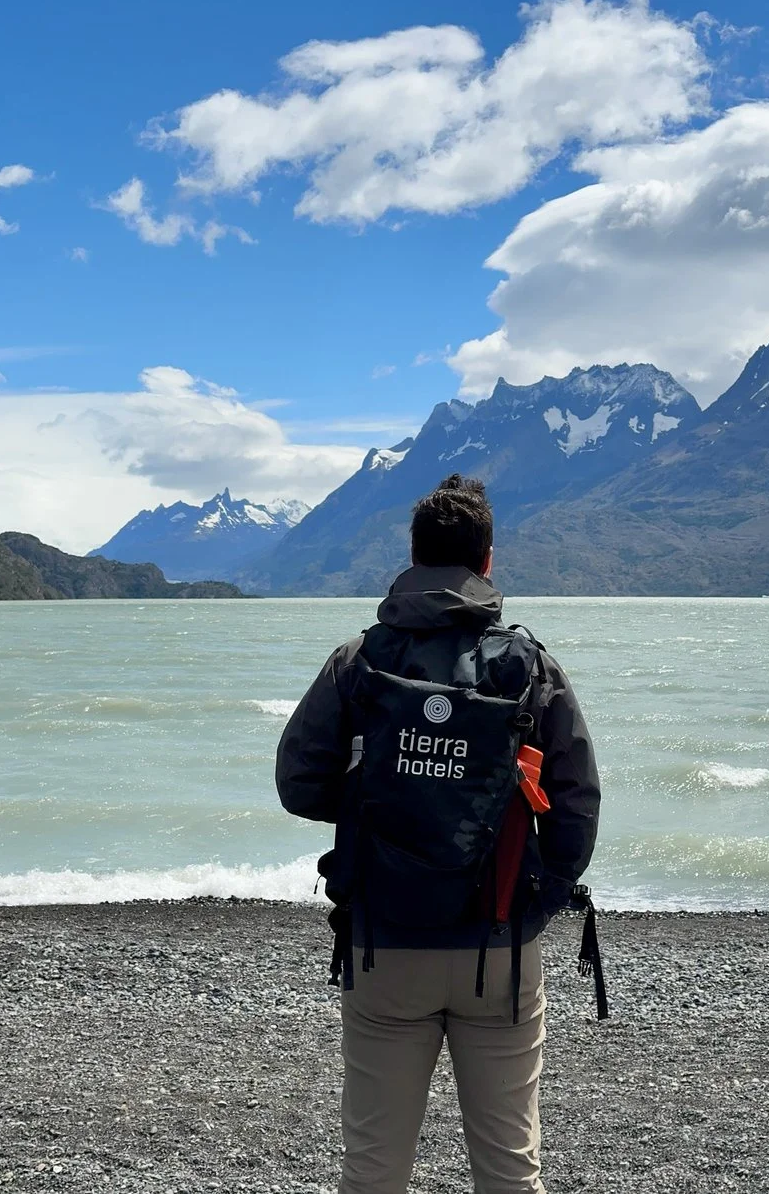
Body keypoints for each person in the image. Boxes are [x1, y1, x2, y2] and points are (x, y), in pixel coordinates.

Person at [276, 474, 602, 1194]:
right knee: (511, 1169)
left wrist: (374, 808)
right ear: (487, 561)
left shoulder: (359, 660)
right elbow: (577, 806)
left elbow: (297, 781)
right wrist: (531, 906)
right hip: (498, 948)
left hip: (384, 943)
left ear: (414, 556)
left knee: (373, 1169)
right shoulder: (530, 666)